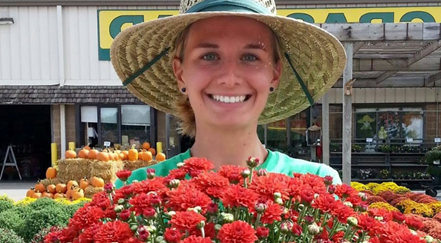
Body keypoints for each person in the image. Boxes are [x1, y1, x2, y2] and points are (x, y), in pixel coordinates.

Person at [110, 0, 346, 186]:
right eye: (209, 56)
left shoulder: (319, 186)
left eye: (250, 57)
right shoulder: (138, 189)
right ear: (180, 73)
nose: (230, 78)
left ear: (274, 74)